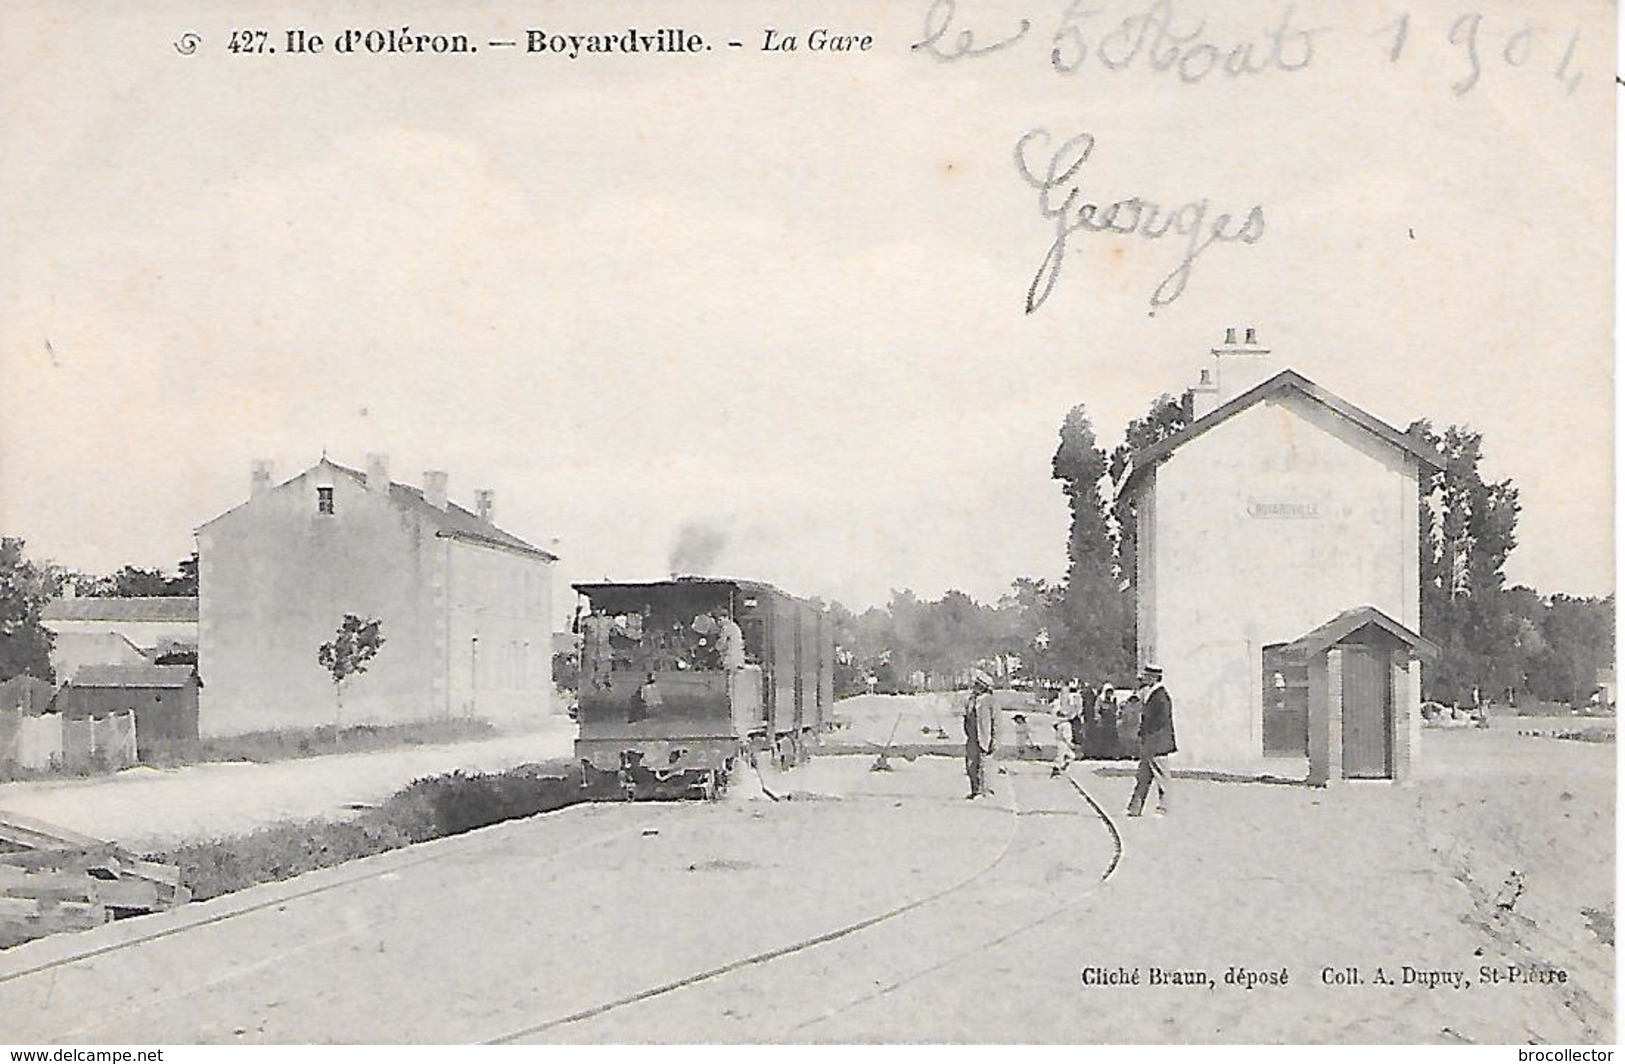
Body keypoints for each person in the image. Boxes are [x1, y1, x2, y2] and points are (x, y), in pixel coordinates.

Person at [1127, 664, 1175, 817]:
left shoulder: (1161, 696)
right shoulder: (1149, 693)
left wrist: (1147, 728)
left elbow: (1161, 719)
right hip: (1149, 743)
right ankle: (1134, 809)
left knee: (1162, 778)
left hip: (1158, 743)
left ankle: (1163, 808)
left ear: (1154, 678)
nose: (1144, 679)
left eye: (1147, 676)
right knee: (1143, 776)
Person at [963, 670, 997, 799]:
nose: (975, 687)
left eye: (979, 685)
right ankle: (975, 790)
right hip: (972, 739)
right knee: (971, 765)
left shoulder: (990, 701)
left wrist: (994, 740)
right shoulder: (970, 701)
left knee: (985, 765)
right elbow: (966, 718)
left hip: (985, 738)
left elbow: (996, 722)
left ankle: (986, 790)